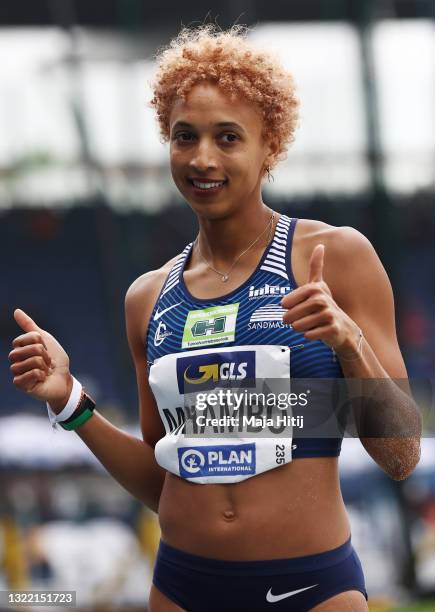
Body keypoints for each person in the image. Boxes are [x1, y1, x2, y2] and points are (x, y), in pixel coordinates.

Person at [9, 24, 421, 612]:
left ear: (268, 144)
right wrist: (69, 402)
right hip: (182, 586)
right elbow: (163, 480)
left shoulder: (335, 257)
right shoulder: (147, 297)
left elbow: (402, 455)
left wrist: (348, 340)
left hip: (310, 586)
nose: (203, 158)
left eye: (228, 137)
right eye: (185, 137)